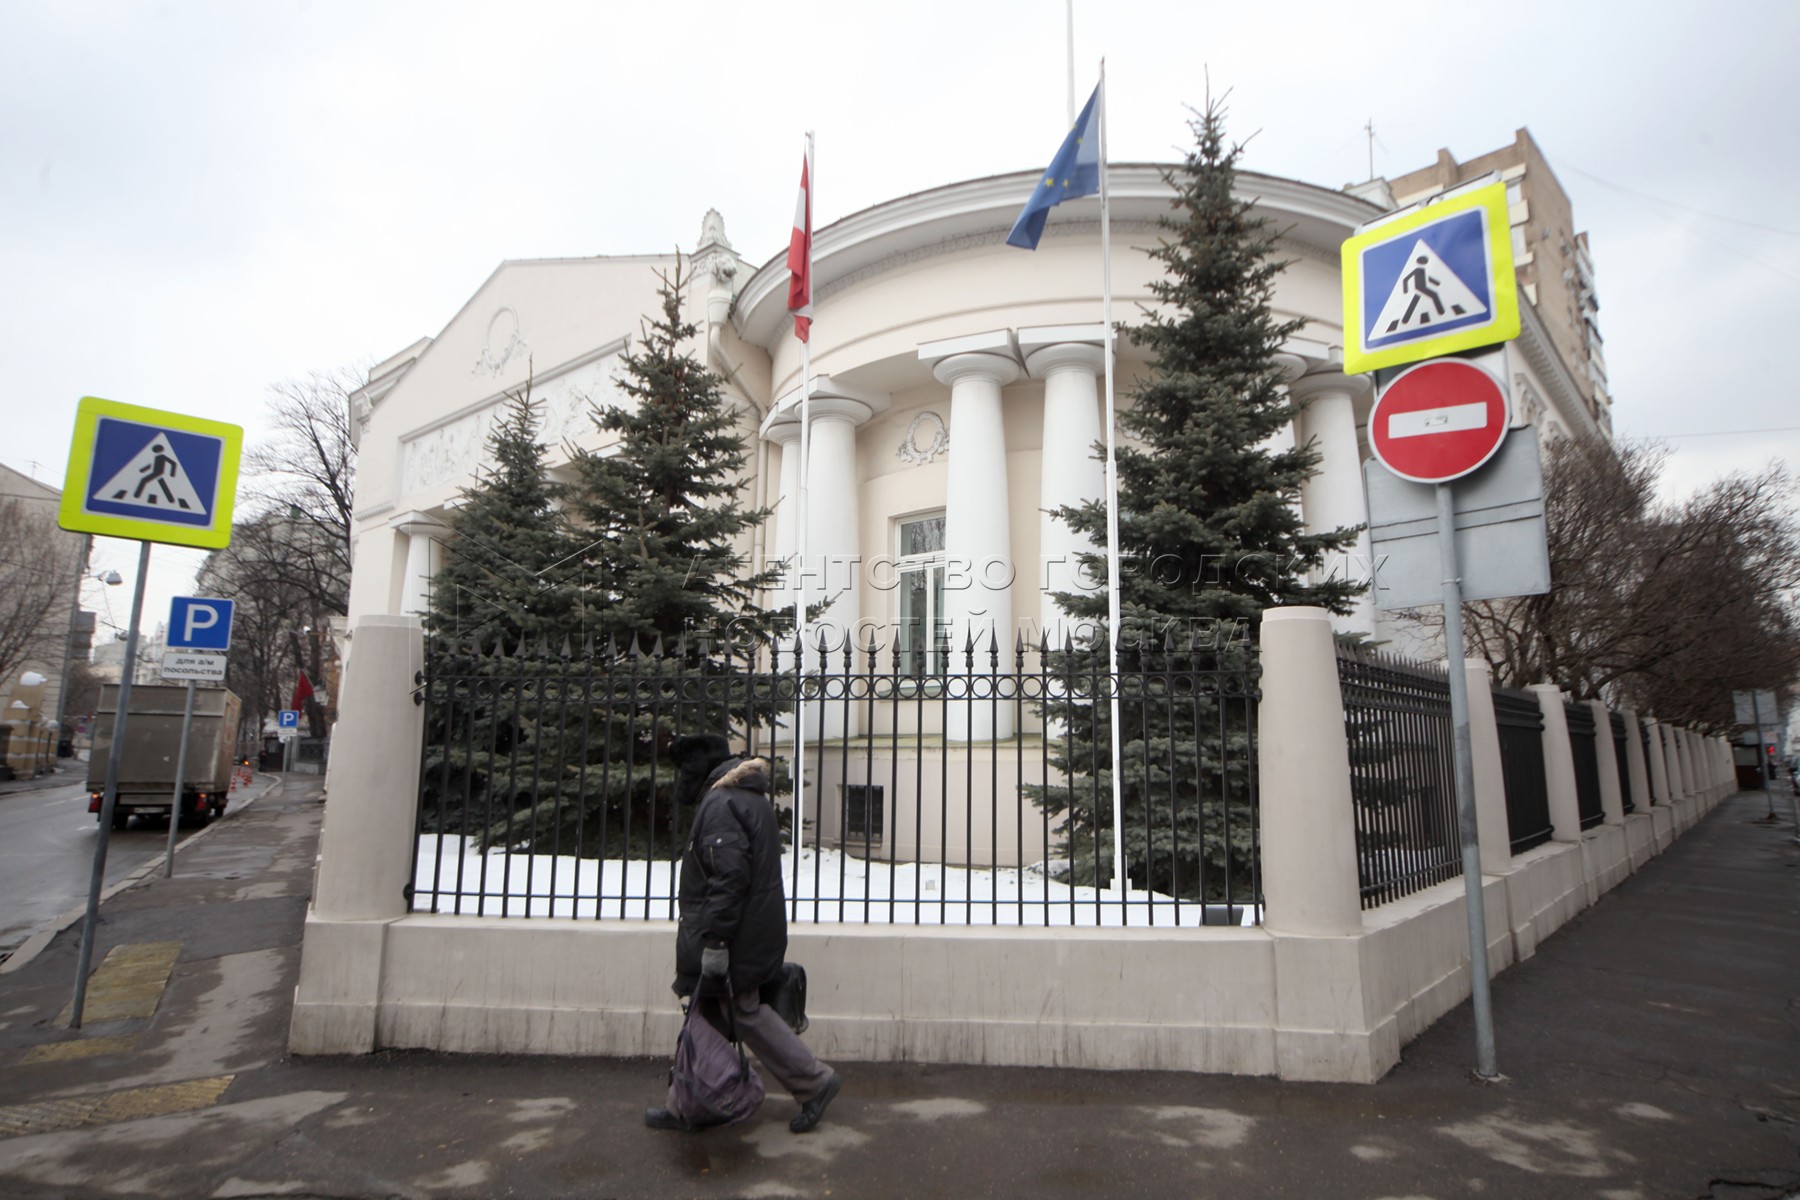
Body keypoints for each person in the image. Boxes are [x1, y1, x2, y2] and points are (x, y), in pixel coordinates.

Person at [645, 734, 843, 1134]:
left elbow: (729, 879)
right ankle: (685, 1104)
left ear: (697, 771)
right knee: (705, 1014)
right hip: (751, 930)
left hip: (735, 937)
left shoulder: (721, 805)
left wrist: (716, 942)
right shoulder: (743, 798)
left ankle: (814, 1081)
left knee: (743, 1010)